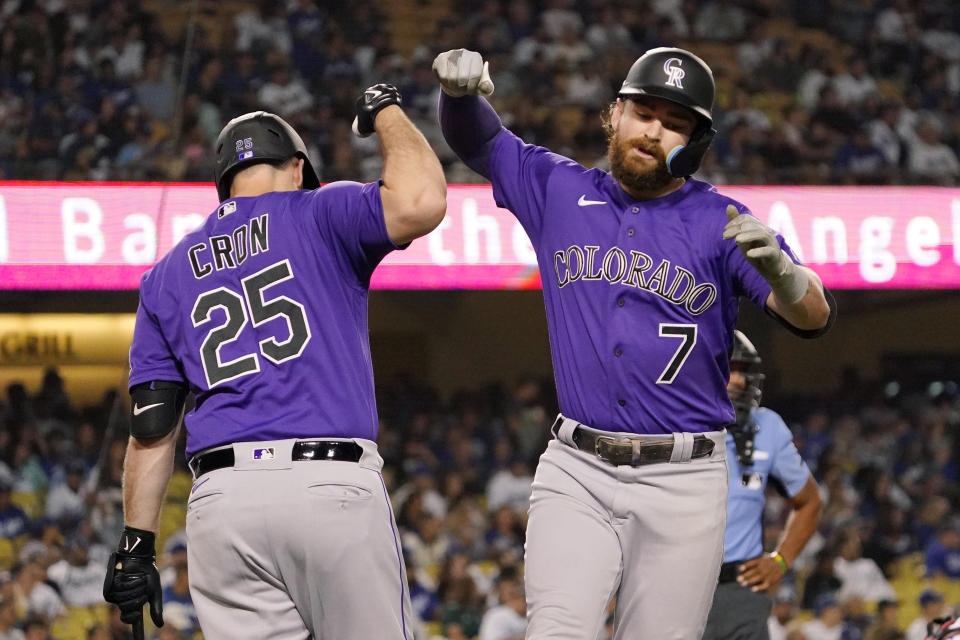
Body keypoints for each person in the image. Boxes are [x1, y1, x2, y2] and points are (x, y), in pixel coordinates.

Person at [432, 46, 834, 639]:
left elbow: (812, 316)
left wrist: (787, 275)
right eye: (644, 112)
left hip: (684, 480)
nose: (654, 131)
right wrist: (459, 96)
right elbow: (480, 142)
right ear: (613, 114)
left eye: (676, 123)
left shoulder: (721, 219)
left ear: (695, 143)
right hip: (578, 468)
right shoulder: (556, 187)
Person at [102, 85, 447, 639]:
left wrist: (137, 544)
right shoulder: (318, 209)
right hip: (325, 484)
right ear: (295, 168)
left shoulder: (164, 275)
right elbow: (422, 200)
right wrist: (385, 110)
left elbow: (151, 429)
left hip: (221, 506)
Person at [702, 330, 823, 640]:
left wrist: (780, 561)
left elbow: (810, 501)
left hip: (740, 587)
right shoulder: (666, 422)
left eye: (745, 372)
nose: (740, 381)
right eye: (730, 369)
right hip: (675, 583)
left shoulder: (766, 426)